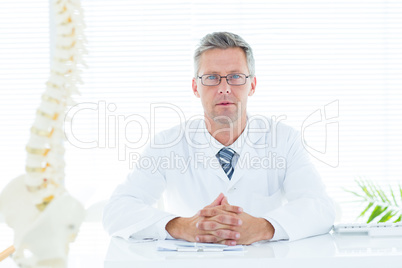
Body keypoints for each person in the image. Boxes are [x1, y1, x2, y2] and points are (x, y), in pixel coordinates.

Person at [103, 32, 335, 245]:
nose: (224, 88)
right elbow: (117, 211)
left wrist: (264, 228)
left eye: (235, 77)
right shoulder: (167, 144)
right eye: (212, 78)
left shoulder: (284, 140)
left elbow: (321, 208)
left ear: (252, 85)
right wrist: (182, 226)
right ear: (195, 87)